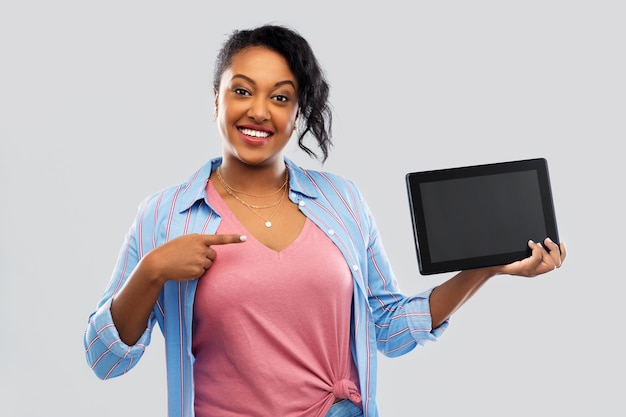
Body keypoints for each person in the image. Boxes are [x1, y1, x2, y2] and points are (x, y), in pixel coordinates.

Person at [83, 24, 566, 417]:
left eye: (280, 97)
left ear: (298, 113)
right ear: (216, 100)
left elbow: (390, 330)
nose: (258, 110)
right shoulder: (165, 215)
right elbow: (104, 361)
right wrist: (150, 273)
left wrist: (485, 268)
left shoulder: (343, 201)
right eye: (242, 91)